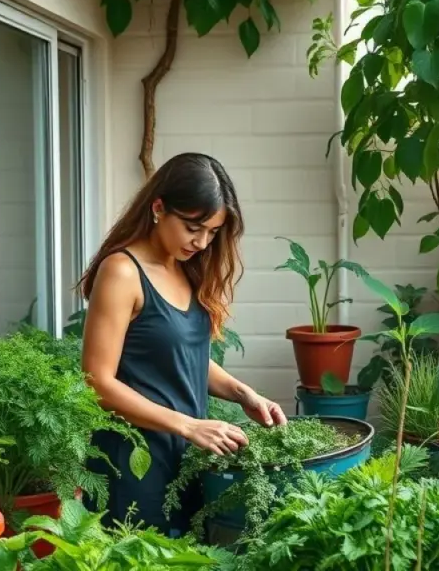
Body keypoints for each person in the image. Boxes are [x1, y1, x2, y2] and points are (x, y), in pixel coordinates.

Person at [78, 152, 287, 535]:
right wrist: (190, 426)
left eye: (212, 231)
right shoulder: (122, 272)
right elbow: (97, 382)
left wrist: (244, 394)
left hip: (187, 462)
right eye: (194, 226)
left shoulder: (186, 268)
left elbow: (183, 358)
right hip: (134, 463)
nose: (203, 242)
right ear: (159, 207)